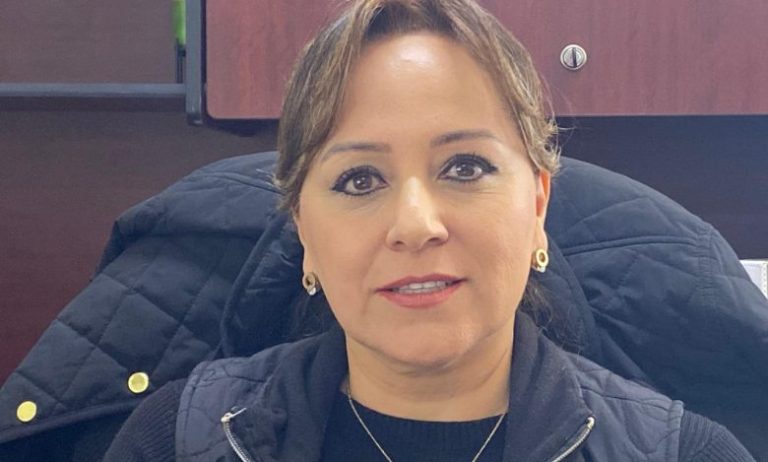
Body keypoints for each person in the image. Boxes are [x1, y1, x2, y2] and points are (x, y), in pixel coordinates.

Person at [104, 0, 755, 460]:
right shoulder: (176, 443)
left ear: (537, 205)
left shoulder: (688, 454)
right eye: (359, 179)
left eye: (465, 167)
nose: (415, 225)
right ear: (302, 231)